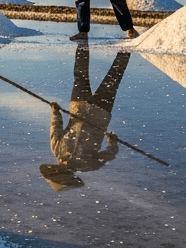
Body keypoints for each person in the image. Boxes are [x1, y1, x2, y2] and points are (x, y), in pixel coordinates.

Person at [40, 43, 131, 191]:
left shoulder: (56, 149)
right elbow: (109, 155)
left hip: (78, 107)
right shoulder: (89, 165)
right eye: (63, 174)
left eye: (58, 172)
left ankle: (83, 40)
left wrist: (55, 111)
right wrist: (113, 142)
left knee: (80, 74)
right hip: (100, 112)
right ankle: (127, 46)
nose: (61, 170)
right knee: (114, 77)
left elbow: (55, 127)